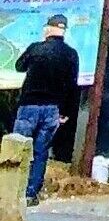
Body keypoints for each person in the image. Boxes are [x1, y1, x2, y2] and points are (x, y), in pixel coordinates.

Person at [12, 18, 82, 208]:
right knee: (41, 152)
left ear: (48, 29)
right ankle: (31, 194)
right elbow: (72, 86)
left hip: (29, 106)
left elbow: (19, 66)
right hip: (52, 109)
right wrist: (66, 112)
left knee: (18, 148)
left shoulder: (36, 48)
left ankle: (11, 190)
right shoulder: (71, 54)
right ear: (64, 31)